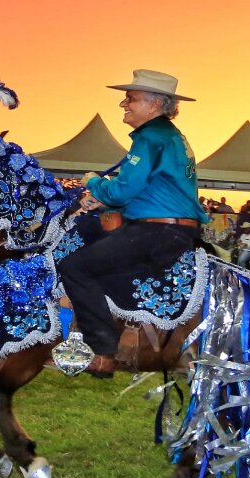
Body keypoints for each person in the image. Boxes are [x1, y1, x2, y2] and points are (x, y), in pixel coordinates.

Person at [58, 69, 207, 378]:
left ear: (154, 105)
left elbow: (124, 189)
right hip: (168, 228)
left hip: (156, 231)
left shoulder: (151, 137)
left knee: (75, 267)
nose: (123, 104)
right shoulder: (165, 136)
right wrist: (102, 199)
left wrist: (95, 184)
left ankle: (102, 354)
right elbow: (141, 189)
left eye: (131, 99)